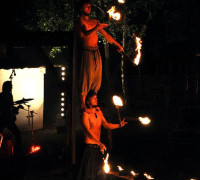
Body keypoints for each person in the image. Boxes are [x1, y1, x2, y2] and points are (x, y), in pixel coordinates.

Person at [76, 0, 124, 110]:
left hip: (96, 52)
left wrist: (117, 45)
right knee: (87, 78)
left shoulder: (94, 21)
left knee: (97, 79)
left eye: (90, 6)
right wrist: (97, 28)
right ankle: (83, 103)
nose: (89, 8)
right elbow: (87, 33)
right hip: (87, 52)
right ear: (81, 9)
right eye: (86, 6)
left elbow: (106, 35)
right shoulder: (80, 21)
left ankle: (93, 101)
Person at [77, 91, 127, 180]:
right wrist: (99, 143)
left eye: (96, 98)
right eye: (94, 98)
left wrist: (119, 125)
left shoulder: (99, 112)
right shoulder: (85, 114)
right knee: (89, 177)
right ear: (88, 101)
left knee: (100, 176)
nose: (96, 100)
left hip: (98, 149)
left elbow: (106, 124)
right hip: (89, 149)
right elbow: (87, 131)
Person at [0, 81, 23, 152]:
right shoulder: (1, 96)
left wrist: (17, 107)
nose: (12, 87)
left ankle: (18, 149)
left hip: (8, 118)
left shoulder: (10, 95)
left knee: (17, 132)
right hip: (2, 118)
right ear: (7, 87)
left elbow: (11, 107)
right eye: (10, 86)